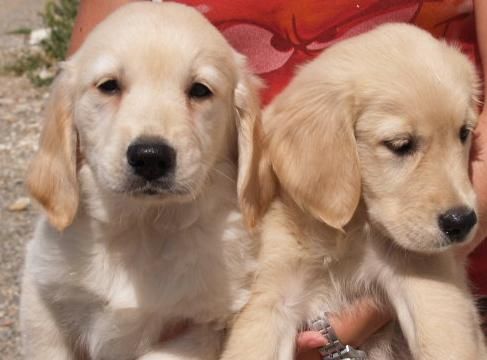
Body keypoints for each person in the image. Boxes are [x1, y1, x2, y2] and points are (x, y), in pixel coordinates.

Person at [68, 1, 487, 358]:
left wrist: (344, 332)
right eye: (400, 144)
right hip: (253, 205)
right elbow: (89, 105)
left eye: (464, 132)